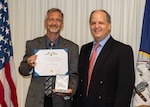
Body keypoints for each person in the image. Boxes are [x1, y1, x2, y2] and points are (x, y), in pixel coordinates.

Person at [73, 10, 135, 107]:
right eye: (93, 23)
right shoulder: (85, 49)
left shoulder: (123, 50)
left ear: (109, 26)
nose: (96, 26)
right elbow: (81, 84)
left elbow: (125, 90)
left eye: (101, 23)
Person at [19, 8, 79, 107]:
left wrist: (71, 90)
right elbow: (22, 70)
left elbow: (74, 75)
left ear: (62, 24)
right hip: (36, 100)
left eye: (58, 20)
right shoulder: (32, 44)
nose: (54, 23)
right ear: (45, 22)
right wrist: (29, 65)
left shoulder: (72, 48)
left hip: (61, 101)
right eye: (51, 19)